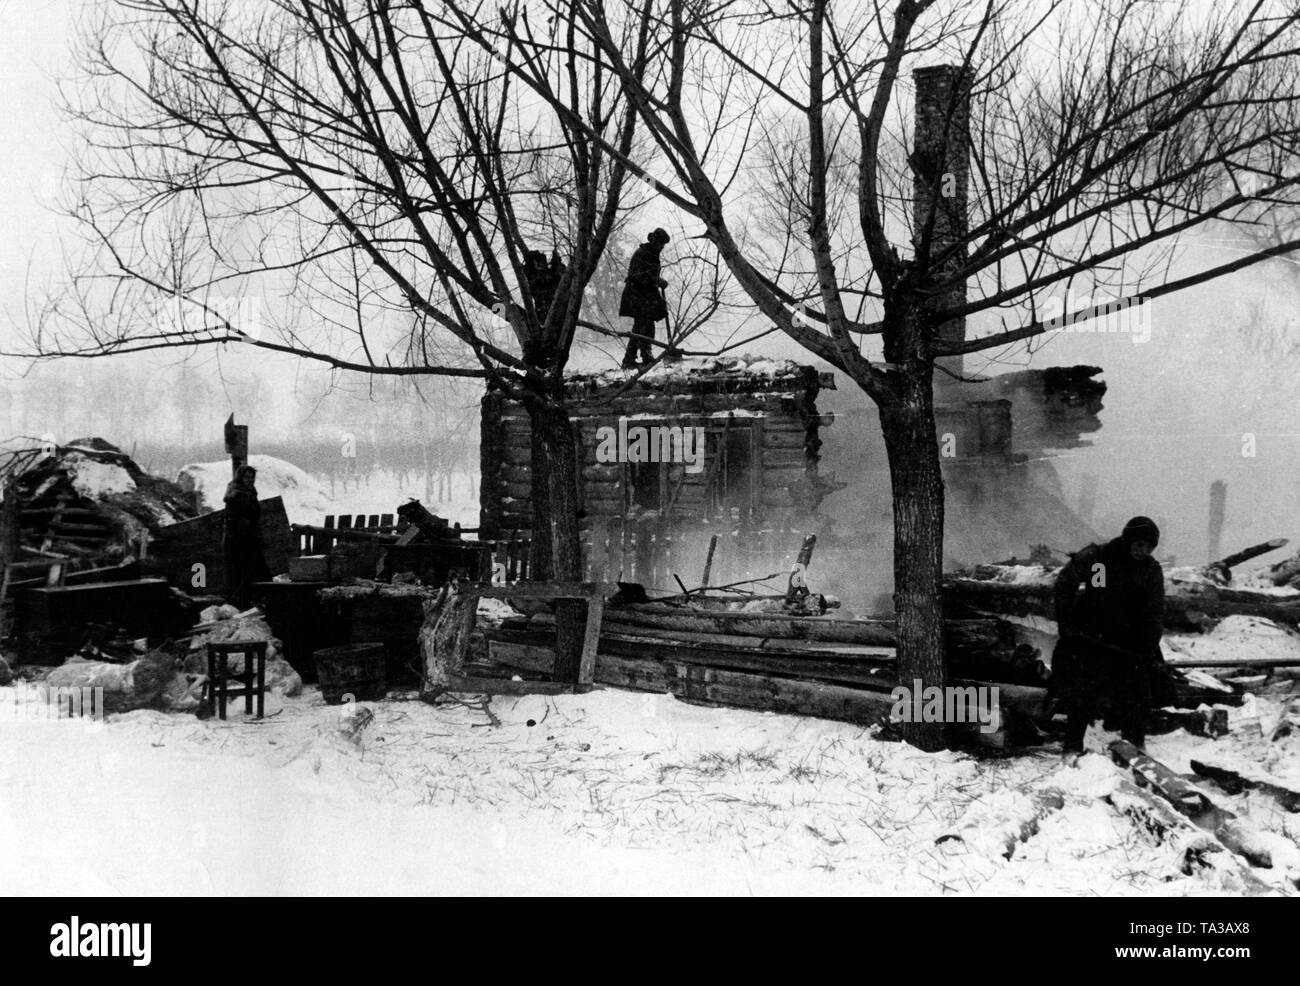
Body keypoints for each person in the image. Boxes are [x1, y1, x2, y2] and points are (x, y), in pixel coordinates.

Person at [1052, 516, 1166, 754]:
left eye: (1148, 547)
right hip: (1094, 636)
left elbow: (1154, 611)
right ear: (1128, 541)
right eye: (1138, 545)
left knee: (1138, 694)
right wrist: (1067, 624)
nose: (1142, 551)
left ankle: (1135, 747)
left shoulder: (1150, 571)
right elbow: (1067, 583)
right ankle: (1073, 745)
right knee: (1083, 692)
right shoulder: (1102, 561)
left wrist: (1149, 646)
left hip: (1130, 640)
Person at [619, 228, 670, 368]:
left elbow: (648, 276)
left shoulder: (649, 253)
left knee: (638, 327)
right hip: (637, 295)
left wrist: (656, 281)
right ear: (655, 242)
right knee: (646, 325)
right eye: (661, 244)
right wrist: (658, 281)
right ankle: (646, 356)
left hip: (641, 295)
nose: (662, 247)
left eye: (663, 245)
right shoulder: (644, 254)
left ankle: (629, 359)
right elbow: (642, 276)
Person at [223, 464, 270, 609]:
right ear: (240, 478)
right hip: (240, 541)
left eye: (252, 477)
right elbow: (239, 521)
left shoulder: (248, 492)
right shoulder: (238, 495)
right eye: (247, 477)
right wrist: (254, 538)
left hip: (248, 539)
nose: (250, 480)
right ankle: (246, 606)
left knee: (252, 574)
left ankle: (251, 604)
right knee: (247, 574)